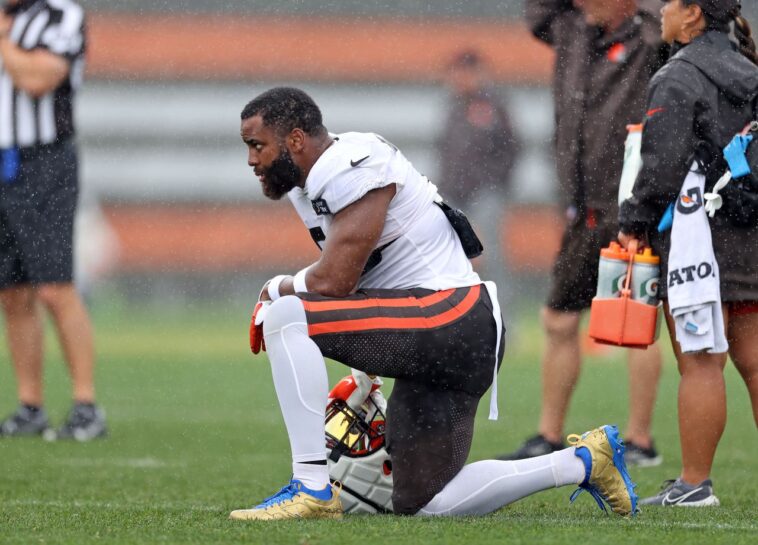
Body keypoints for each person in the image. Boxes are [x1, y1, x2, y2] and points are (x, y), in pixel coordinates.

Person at [228, 86, 638, 520]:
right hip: (452, 331)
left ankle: (311, 486)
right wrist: (361, 366)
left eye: (258, 145)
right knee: (424, 502)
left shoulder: (350, 163)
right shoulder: (309, 184)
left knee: (286, 315)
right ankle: (583, 462)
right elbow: (369, 276)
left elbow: (335, 279)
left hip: (450, 315)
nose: (252, 160)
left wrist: (279, 287)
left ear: (294, 139)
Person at [499, 0, 668, 467]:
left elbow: (677, 21)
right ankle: (548, 433)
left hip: (631, 206)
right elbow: (537, 14)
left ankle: (641, 440)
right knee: (558, 319)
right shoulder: (572, 27)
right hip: (581, 209)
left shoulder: (651, 35)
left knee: (638, 326)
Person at [618, 0, 758, 506]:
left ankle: (695, 483)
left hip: (699, 237)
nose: (661, 11)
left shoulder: (678, 74)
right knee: (755, 359)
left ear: (694, 14)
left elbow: (662, 166)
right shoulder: (749, 68)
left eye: (671, 4)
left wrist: (634, 220)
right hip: (749, 230)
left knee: (700, 361)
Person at [0, 0, 106, 440]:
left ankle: (86, 405)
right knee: (12, 291)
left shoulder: (61, 16)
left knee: (53, 286)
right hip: (3, 164)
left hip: (44, 163)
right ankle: (30, 405)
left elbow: (38, 78)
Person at [436, 48, 520, 296]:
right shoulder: (452, 106)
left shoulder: (495, 104)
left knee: (491, 258)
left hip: (486, 195)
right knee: (449, 257)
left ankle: (503, 320)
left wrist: (492, 184)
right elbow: (445, 151)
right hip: (453, 194)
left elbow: (511, 149)